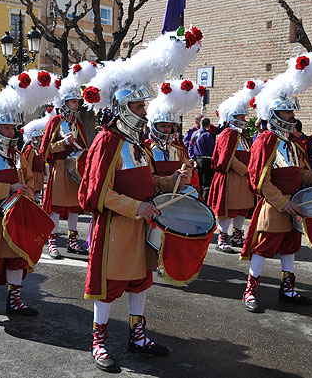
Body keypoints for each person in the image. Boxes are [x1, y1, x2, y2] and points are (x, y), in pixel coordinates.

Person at [79, 27, 200, 372]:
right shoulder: (107, 141)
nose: (144, 111)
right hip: (118, 227)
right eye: (138, 105)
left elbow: (148, 181)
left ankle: (138, 335)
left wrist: (171, 180)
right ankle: (99, 342)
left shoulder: (138, 144)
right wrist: (136, 208)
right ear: (123, 106)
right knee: (109, 285)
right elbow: (97, 193)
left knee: (141, 280)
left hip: (143, 224)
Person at [240, 52, 312, 313]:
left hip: (295, 204)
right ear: (274, 112)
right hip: (275, 205)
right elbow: (259, 180)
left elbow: (300, 172)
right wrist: (282, 203)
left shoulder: (292, 141)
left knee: (291, 247)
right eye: (287, 110)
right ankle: (250, 291)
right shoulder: (266, 140)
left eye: (292, 110)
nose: (292, 114)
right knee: (263, 248)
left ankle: (288, 289)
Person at [0, 70, 57, 328]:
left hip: (18, 214)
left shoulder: (16, 153)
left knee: (16, 257)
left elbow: (27, 178)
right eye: (6, 127)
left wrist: (27, 190)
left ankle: (14, 301)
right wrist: (9, 189)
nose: (11, 131)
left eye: (13, 127)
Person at [40, 61, 97, 258]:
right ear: (64, 103)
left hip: (75, 170)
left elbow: (83, 145)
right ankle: (52, 243)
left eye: (77, 102)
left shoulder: (77, 123)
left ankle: (73, 241)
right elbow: (44, 150)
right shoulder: (55, 121)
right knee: (55, 208)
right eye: (73, 102)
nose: (77, 104)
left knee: (74, 207)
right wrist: (62, 144)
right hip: (59, 169)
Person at [208, 80, 264, 252]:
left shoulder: (242, 136)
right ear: (233, 118)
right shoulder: (227, 134)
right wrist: (245, 170)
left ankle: (237, 235)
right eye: (241, 117)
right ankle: (222, 238)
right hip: (230, 178)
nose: (244, 120)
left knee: (241, 209)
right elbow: (227, 159)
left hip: (243, 179)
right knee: (228, 210)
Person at [22, 108, 54, 205]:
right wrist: (29, 175)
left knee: (37, 193)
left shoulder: (39, 149)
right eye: (39, 137)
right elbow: (27, 164)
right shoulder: (30, 149)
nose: (41, 139)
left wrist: (44, 172)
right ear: (34, 138)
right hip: (32, 175)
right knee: (32, 192)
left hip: (39, 175)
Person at [191, 116, 216, 200]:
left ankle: (198, 198)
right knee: (207, 183)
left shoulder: (194, 134)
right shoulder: (208, 135)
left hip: (197, 160)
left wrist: (194, 159)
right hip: (206, 160)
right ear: (209, 125)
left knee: (199, 181)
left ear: (200, 124)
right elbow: (211, 150)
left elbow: (190, 147)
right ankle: (205, 201)